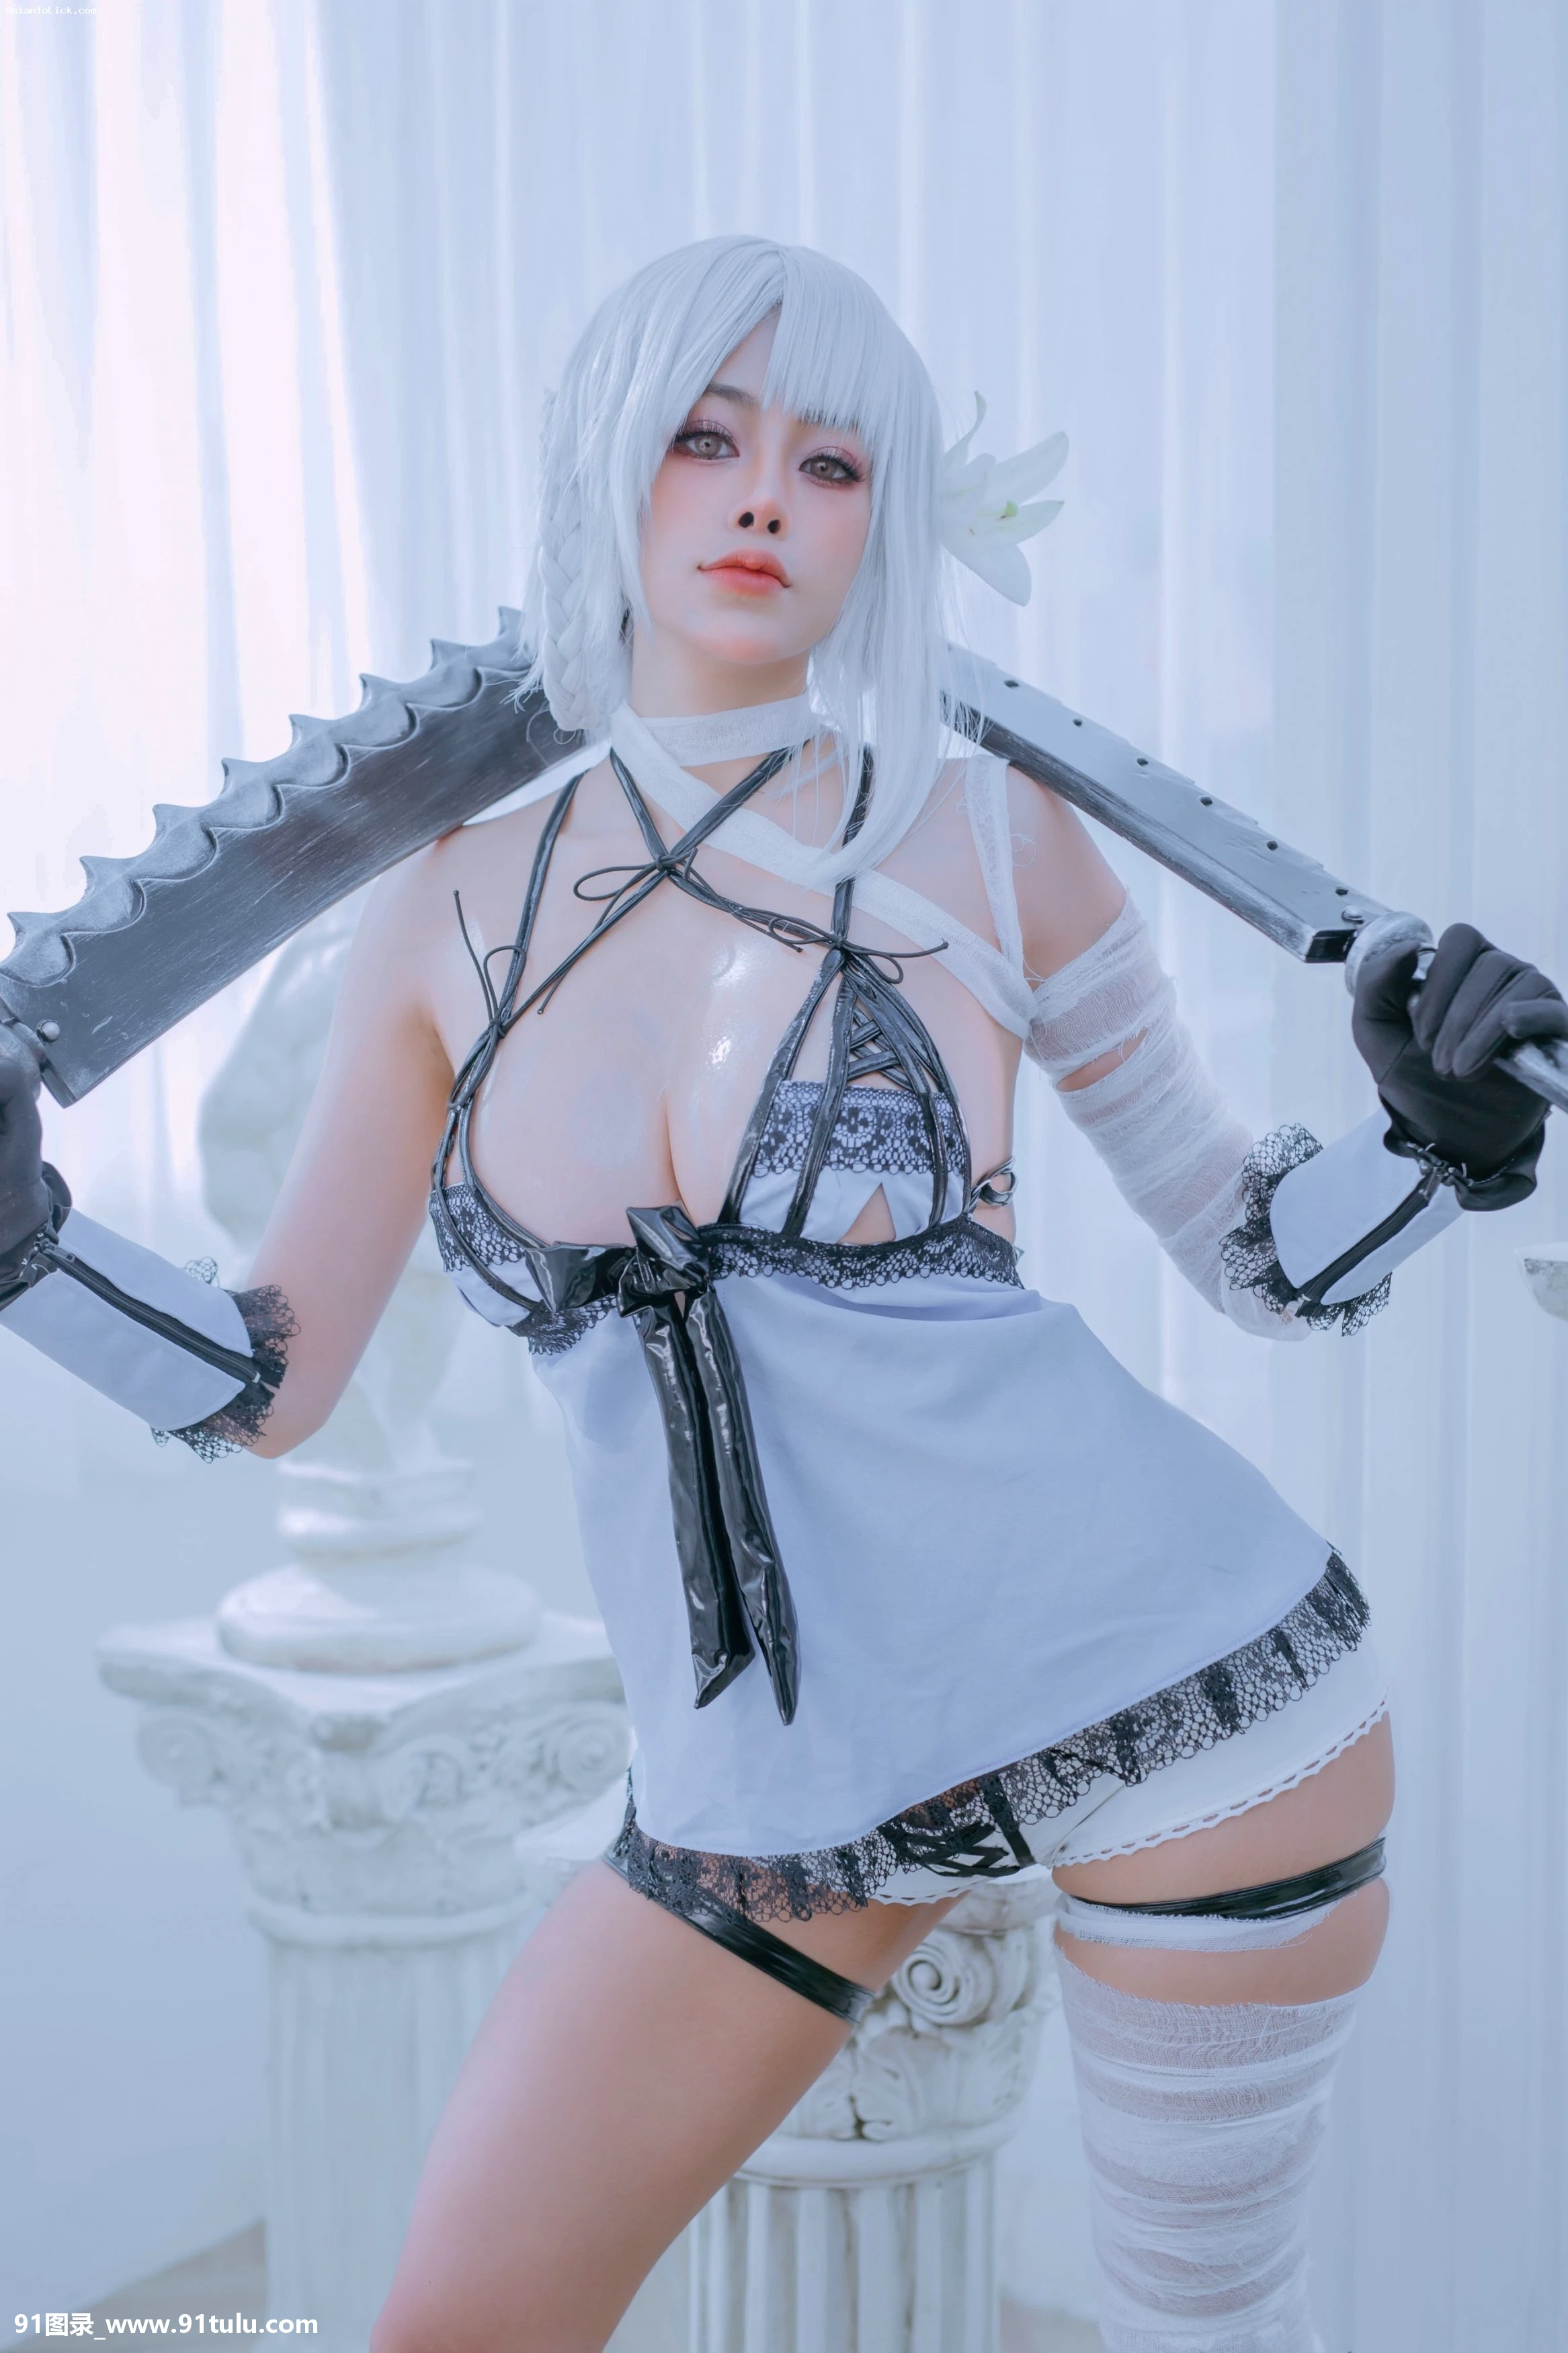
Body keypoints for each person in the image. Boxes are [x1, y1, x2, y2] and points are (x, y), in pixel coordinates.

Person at [2, 237, 1563, 2353]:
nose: (760, 498)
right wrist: (29, 1246)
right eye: (704, 438)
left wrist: (1437, 1141)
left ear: (881, 521)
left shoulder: (988, 834)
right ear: (606, 468)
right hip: (760, 1799)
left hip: (1188, 1698)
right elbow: (268, 1381)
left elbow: (1259, 1256)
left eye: (829, 463)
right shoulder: (438, 909)